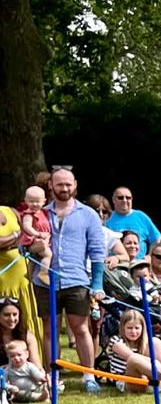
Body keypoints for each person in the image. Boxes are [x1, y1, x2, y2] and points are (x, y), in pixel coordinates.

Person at [43, 167, 106, 391]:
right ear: (51, 185)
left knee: (81, 328)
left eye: (68, 184)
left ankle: (88, 376)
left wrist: (97, 283)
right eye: (59, 184)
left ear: (75, 185)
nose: (64, 188)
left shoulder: (88, 214)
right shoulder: (42, 213)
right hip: (45, 281)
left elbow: (98, 252)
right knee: (49, 330)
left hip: (77, 280)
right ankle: (52, 376)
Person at [104, 307, 161, 394]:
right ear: (123, 328)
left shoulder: (145, 343)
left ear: (142, 328)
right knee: (133, 358)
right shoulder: (116, 341)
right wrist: (156, 364)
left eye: (137, 328)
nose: (133, 332)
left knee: (156, 341)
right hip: (129, 382)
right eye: (129, 328)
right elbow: (131, 356)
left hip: (151, 380)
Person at [0, 201, 42, 354]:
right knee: (5, 317)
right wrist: (15, 236)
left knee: (28, 317)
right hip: (3, 278)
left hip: (22, 275)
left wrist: (12, 241)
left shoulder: (10, 210)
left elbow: (26, 235)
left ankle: (36, 361)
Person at [106, 187, 161, 257]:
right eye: (120, 197)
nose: (125, 200)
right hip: (116, 264)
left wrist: (150, 256)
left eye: (128, 198)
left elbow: (156, 238)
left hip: (139, 264)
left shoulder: (141, 216)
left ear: (132, 199)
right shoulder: (107, 217)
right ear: (113, 200)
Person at [0, 295, 41, 367]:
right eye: (6, 315)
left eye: (15, 314)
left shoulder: (28, 336)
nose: (12, 319)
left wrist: (44, 376)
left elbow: (37, 366)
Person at [4, 338, 46, 403]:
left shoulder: (29, 366)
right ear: (8, 357)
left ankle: (52, 390)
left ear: (26, 354)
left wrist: (42, 378)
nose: (16, 358)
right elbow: (3, 383)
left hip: (34, 387)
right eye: (12, 356)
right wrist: (11, 387)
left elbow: (37, 375)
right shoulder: (8, 369)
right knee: (20, 395)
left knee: (48, 386)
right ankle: (40, 397)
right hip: (19, 391)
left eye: (19, 355)